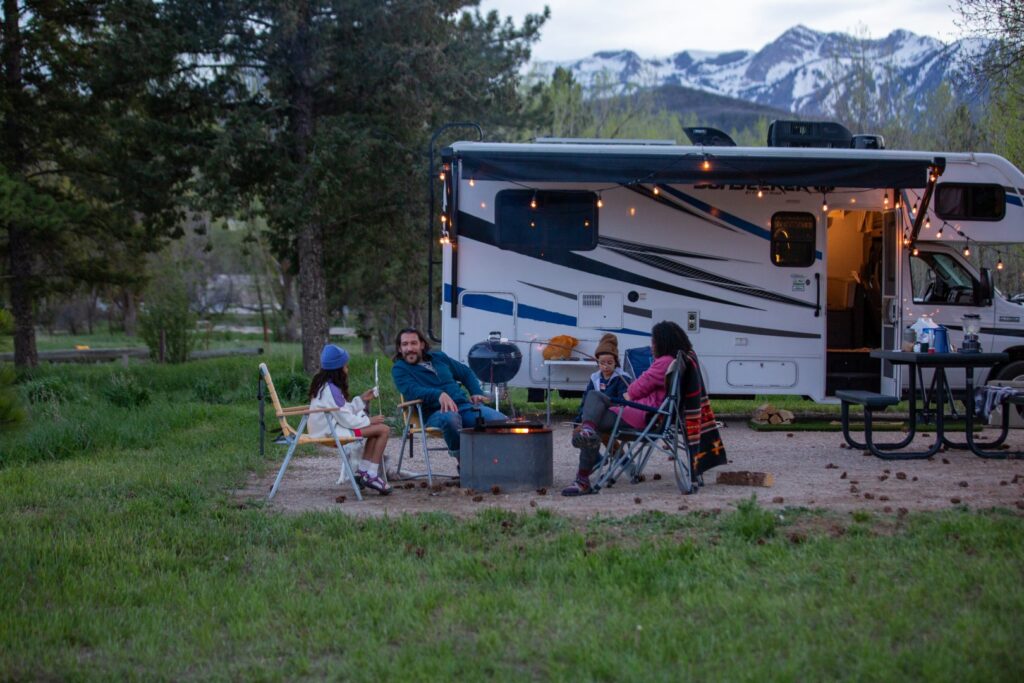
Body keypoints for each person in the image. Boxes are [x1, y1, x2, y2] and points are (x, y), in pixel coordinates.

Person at [562, 320, 692, 497]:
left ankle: (583, 478)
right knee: (592, 421)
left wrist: (629, 394)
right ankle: (587, 434)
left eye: (653, 341)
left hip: (644, 416)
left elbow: (636, 389)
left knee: (594, 399)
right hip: (651, 414)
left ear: (663, 342)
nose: (651, 345)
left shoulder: (663, 362)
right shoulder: (676, 360)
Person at [391, 327, 505, 462]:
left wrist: (476, 392)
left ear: (421, 345)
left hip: (465, 407)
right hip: (435, 413)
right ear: (399, 348)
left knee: (501, 421)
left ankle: (499, 464)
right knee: (450, 418)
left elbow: (465, 373)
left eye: (413, 343)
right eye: (405, 344)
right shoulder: (400, 369)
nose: (409, 348)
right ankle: (464, 463)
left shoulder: (439, 358)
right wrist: (439, 394)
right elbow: (412, 391)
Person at [308, 344, 392, 495]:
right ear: (338, 369)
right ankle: (371, 475)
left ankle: (363, 473)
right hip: (330, 432)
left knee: (376, 432)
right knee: (383, 430)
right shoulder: (330, 390)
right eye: (345, 367)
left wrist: (361, 400)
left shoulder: (325, 386)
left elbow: (342, 410)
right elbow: (346, 419)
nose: (347, 370)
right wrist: (369, 421)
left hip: (329, 428)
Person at [574, 333, 629, 424]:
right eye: (602, 363)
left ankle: (589, 428)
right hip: (595, 414)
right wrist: (580, 416)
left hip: (612, 415)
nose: (606, 366)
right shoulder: (595, 377)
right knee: (590, 395)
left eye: (609, 363)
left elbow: (623, 403)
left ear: (616, 362)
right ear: (597, 363)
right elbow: (586, 399)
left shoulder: (622, 378)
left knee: (595, 396)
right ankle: (586, 428)